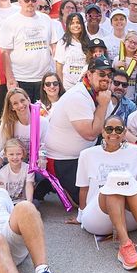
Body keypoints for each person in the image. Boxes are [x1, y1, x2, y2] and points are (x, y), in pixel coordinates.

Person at [75, 117, 137, 269]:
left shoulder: (136, 151)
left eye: (118, 129)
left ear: (125, 132)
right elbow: (84, 188)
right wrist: (80, 215)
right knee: (113, 188)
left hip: (129, 218)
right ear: (102, 131)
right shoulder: (87, 154)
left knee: (132, 186)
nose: (113, 133)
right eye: (109, 129)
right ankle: (125, 245)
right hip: (98, 216)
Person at [43, 56, 116, 201]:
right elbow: (90, 134)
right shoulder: (78, 96)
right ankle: (49, 184)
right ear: (89, 74)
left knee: (111, 191)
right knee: (91, 202)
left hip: (86, 155)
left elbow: (111, 127)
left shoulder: (102, 94)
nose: (106, 78)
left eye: (109, 75)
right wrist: (102, 106)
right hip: (63, 160)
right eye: (101, 74)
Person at [0, 0, 60, 103]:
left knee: (43, 114)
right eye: (27, 0)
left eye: (33, 0)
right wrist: (10, 78)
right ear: (20, 2)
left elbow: (54, 46)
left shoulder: (46, 19)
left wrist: (55, 73)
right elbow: (4, 52)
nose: (30, 3)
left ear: (37, 2)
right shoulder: (10, 22)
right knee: (23, 114)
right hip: (21, 78)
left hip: (44, 78)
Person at [0, 88, 44, 172]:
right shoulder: (8, 124)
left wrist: (42, 159)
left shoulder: (43, 122)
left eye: (22, 100)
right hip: (11, 159)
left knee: (41, 166)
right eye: (15, 103)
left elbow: (45, 148)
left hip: (33, 159)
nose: (21, 105)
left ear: (28, 100)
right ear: (11, 107)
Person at [55, 12, 90, 90]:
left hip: (84, 86)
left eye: (78, 23)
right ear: (68, 26)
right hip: (67, 86)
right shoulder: (62, 43)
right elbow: (59, 66)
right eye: (72, 23)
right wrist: (61, 87)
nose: (75, 26)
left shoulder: (88, 42)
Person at [0, 139, 34, 203]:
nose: (15, 157)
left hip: (23, 202)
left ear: (23, 154)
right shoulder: (3, 172)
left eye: (18, 154)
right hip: (8, 202)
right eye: (11, 154)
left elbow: (29, 185)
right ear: (5, 154)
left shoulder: (28, 168)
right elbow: (2, 192)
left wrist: (29, 203)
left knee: (35, 203)